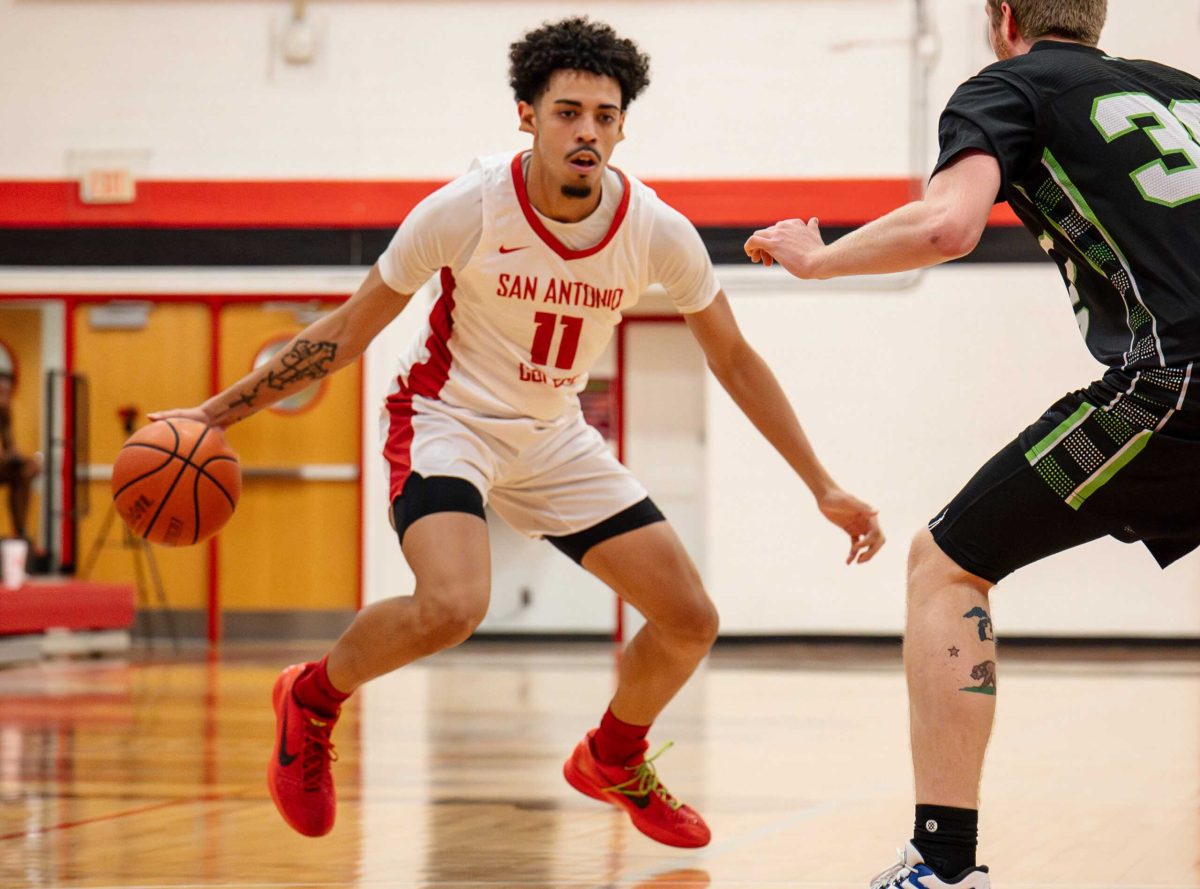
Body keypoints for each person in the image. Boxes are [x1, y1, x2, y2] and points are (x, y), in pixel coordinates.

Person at [153, 17, 884, 847]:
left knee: (689, 619)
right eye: (569, 111)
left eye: (605, 117)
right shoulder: (465, 208)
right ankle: (312, 698)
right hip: (446, 419)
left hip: (551, 433)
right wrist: (210, 415)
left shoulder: (654, 229)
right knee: (454, 605)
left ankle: (613, 754)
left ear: (622, 127)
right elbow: (351, 329)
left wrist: (822, 482)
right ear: (526, 116)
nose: (588, 132)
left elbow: (735, 359)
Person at [746, 0, 1200, 886]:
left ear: (1001, 16)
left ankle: (942, 867)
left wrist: (819, 255)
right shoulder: (1186, 91)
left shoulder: (1008, 86)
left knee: (947, 560)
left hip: (1174, 382)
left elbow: (946, 226)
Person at [0, 371, 42, 543]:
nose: (5, 396)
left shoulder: (5, 414)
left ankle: (19, 531)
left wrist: (27, 460)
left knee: (25, 471)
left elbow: (9, 447)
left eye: (7, 393)